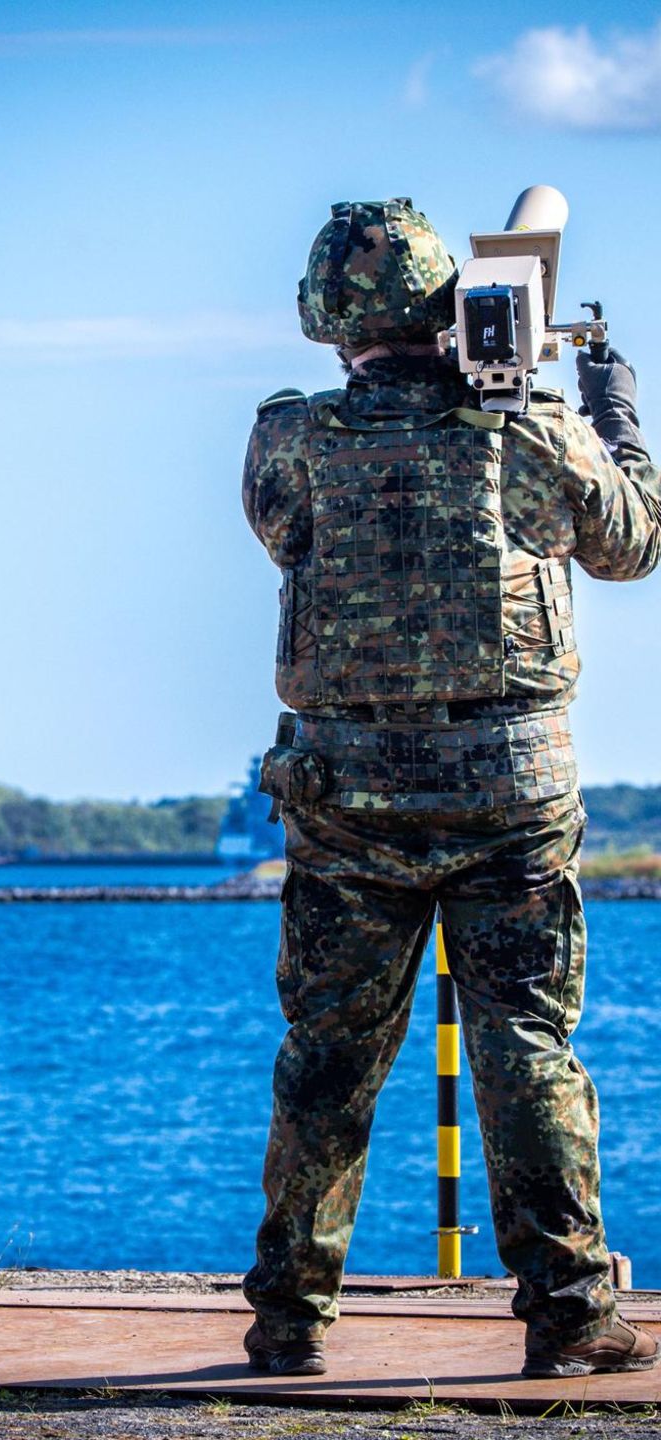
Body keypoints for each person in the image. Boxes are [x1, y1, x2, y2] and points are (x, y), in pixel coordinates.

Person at [240, 198, 661, 1381]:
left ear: (327, 321)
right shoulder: (526, 434)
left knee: (327, 1052)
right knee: (525, 1043)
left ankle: (289, 1317)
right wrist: (613, 417)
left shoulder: (292, 441)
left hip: (347, 799)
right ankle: (573, 1312)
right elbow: (634, 541)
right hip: (510, 798)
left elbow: (280, 532)